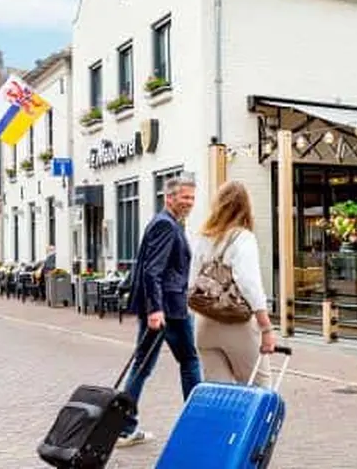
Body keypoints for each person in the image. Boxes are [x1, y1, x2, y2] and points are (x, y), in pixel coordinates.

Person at [118, 174, 202, 448]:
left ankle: (124, 426)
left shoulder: (167, 223)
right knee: (188, 361)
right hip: (168, 310)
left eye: (192, 197)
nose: (189, 201)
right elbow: (152, 271)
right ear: (169, 198)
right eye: (184, 197)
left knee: (143, 366)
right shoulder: (166, 225)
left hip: (166, 307)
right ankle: (196, 421)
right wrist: (155, 310)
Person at [192, 180, 277, 387]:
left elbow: (191, 280)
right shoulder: (243, 237)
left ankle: (217, 422)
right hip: (237, 324)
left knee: (218, 396)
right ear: (245, 206)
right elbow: (249, 284)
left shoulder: (203, 237)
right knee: (259, 390)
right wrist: (266, 327)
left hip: (204, 323)